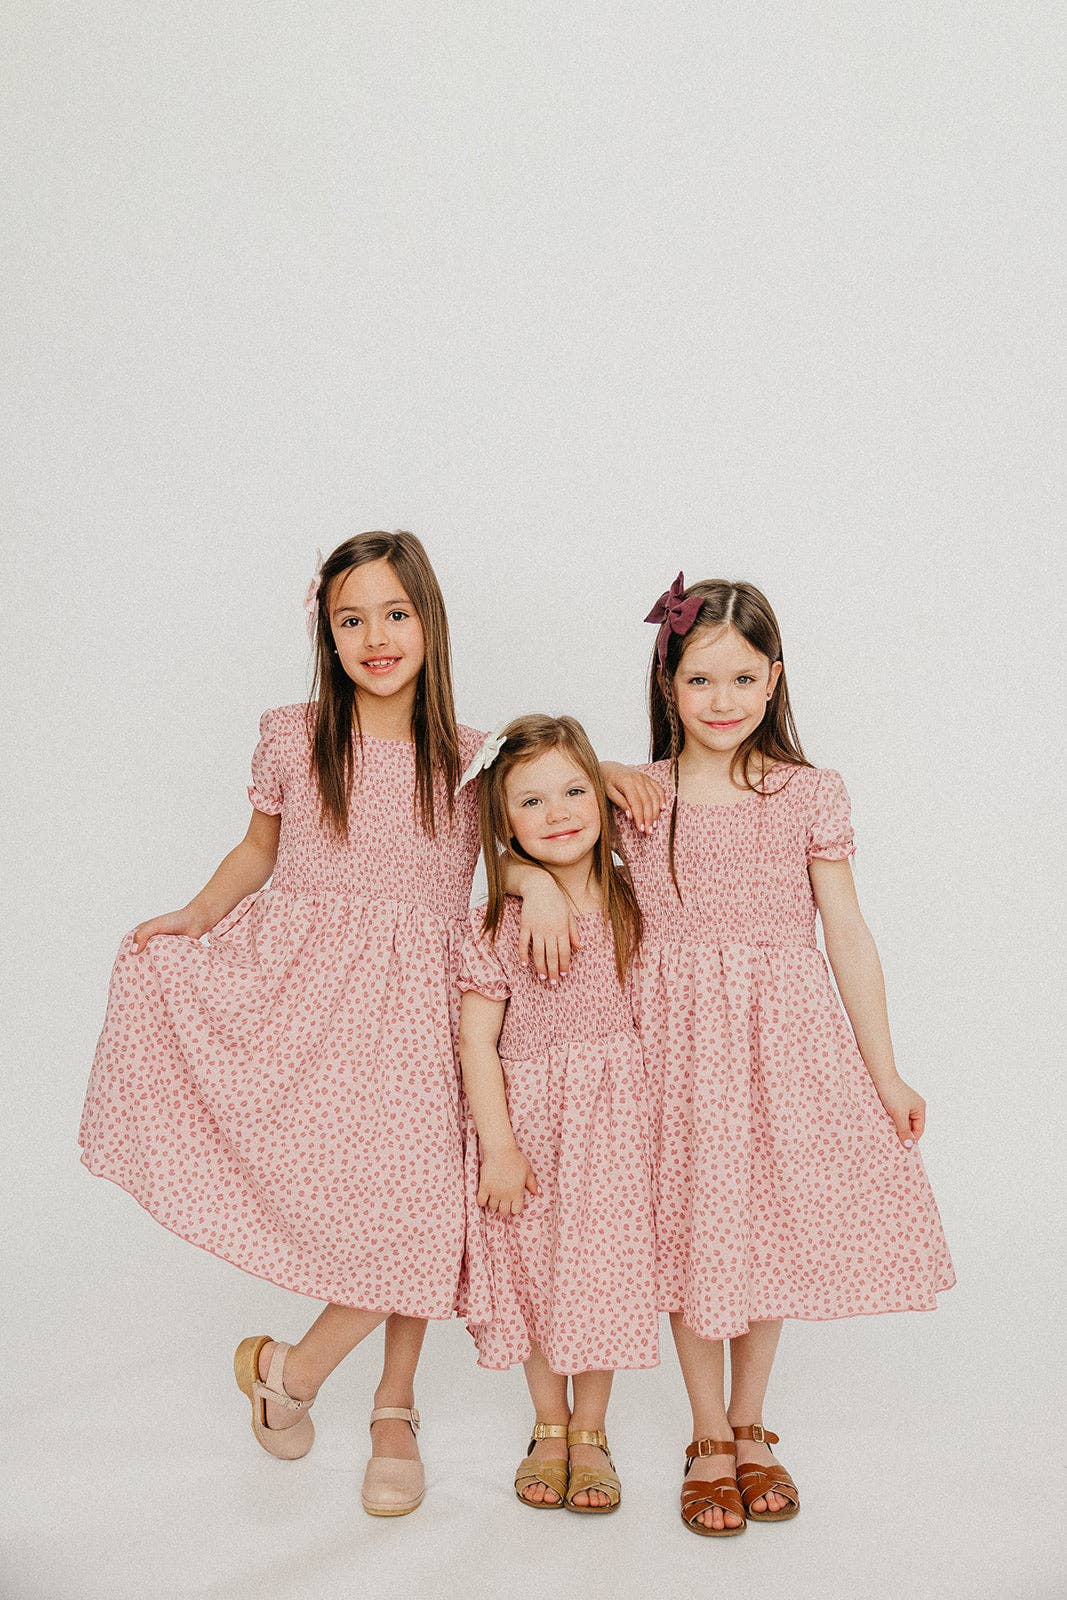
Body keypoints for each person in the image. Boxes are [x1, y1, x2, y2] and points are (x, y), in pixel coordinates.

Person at [520, 573, 955, 1536]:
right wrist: (535, 879)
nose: (722, 701)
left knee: (762, 1226)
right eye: (700, 680)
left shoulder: (807, 793)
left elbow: (846, 929)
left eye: (743, 679)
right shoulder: (638, 793)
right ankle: (707, 1433)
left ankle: (751, 1422)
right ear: (667, 684)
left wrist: (883, 1069)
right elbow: (511, 820)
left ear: (774, 679)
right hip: (669, 1044)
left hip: (780, 1039)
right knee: (692, 1226)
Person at [79, 530, 486, 1517]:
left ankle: (364, 1398)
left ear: (429, 621)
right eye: (351, 620)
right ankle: (309, 1382)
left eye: (395, 614)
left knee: (427, 1211)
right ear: (326, 634)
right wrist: (195, 915)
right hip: (310, 1004)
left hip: (425, 1015)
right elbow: (259, 850)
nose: (375, 638)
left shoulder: (474, 760)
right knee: (382, 1217)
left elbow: (538, 848)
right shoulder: (297, 739)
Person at [457, 715, 657, 1515]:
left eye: (575, 791)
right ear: (504, 823)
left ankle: (591, 1430)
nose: (559, 813)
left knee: (602, 1269)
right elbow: (476, 1042)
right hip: (530, 1121)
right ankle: (548, 1424)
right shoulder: (498, 918)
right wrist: (499, 1148)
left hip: (616, 1122)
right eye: (531, 801)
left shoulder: (637, 896)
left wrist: (602, 773)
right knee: (534, 1269)